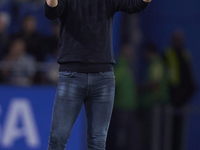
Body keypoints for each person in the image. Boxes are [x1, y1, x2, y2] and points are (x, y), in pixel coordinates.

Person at [44, 0, 151, 149]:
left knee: (97, 142)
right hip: (72, 75)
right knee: (57, 138)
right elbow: (51, 12)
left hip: (103, 78)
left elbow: (134, 5)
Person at [164, 30, 196, 150]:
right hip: (169, 100)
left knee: (178, 133)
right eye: (176, 39)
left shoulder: (185, 55)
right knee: (167, 133)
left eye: (180, 39)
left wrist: (185, 95)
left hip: (180, 100)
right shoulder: (167, 54)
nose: (178, 41)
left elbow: (190, 78)